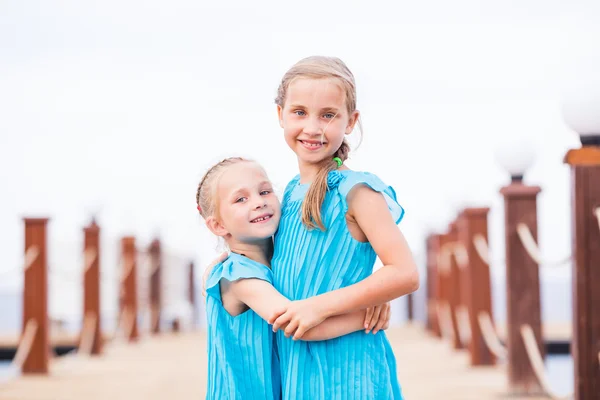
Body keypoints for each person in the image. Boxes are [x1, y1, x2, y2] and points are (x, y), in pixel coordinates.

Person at [268, 55, 420, 399]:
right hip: (296, 365)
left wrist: (320, 306)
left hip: (348, 370)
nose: (312, 127)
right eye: (299, 112)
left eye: (328, 115)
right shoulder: (289, 193)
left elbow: (404, 272)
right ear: (280, 115)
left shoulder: (358, 191)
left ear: (350, 121)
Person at [196, 157, 390, 400]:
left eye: (265, 191)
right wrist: (367, 314)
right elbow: (297, 324)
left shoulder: (274, 266)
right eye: (240, 199)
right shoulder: (240, 276)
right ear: (217, 225)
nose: (258, 202)